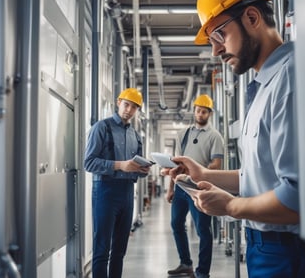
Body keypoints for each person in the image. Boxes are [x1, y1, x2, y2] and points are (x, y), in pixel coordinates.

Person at [169, 0, 305, 277]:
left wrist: (232, 207)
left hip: (287, 250)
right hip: (264, 246)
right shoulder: (261, 87)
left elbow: (299, 196)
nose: (215, 51)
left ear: (251, 17)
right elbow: (261, 177)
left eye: (220, 35)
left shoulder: (290, 80)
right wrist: (206, 175)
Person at [84, 88, 151, 278]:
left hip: (127, 192)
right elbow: (89, 163)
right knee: (102, 248)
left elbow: (135, 167)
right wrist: (121, 165)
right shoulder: (101, 128)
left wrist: (143, 169)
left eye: (134, 107)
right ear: (118, 102)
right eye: (126, 104)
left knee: (120, 250)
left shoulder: (135, 136)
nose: (129, 110)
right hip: (105, 191)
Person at [167, 94, 224, 278]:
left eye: (204, 111)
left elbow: (216, 165)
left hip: (200, 189)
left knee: (203, 231)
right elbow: (176, 164)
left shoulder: (215, 136)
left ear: (209, 113)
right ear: (194, 111)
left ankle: (202, 272)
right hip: (181, 187)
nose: (200, 114)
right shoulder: (183, 134)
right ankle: (186, 263)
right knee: (176, 224)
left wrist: (197, 172)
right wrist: (170, 188)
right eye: (198, 110)